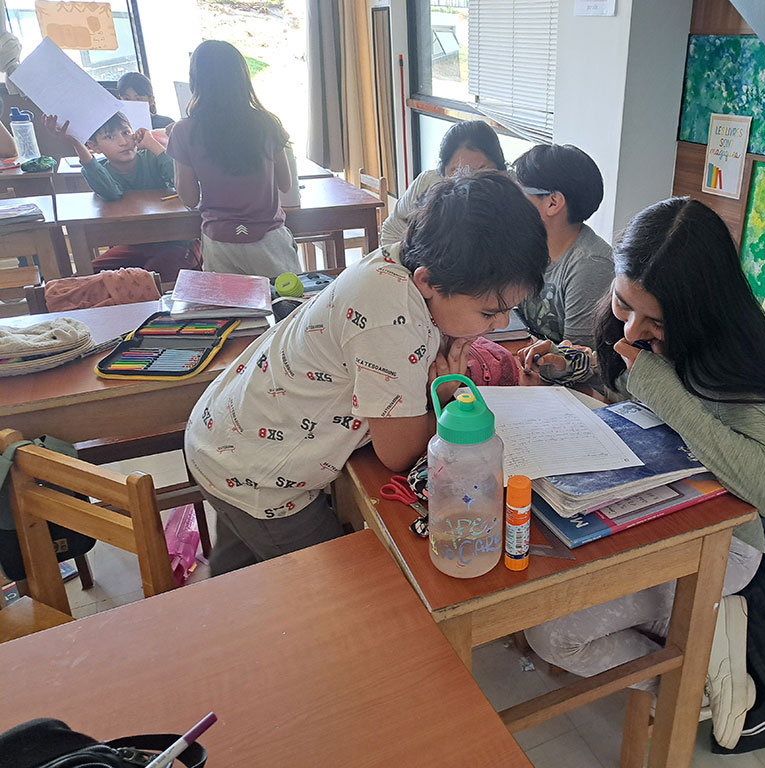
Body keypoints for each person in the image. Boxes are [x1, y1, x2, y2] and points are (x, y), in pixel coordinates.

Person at [522, 200, 765, 765]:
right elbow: (625, 385)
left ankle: (696, 679)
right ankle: (694, 651)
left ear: (700, 310)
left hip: (723, 547)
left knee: (553, 633)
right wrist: (575, 367)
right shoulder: (633, 323)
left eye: (656, 322)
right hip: (647, 511)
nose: (632, 329)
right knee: (538, 572)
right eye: (623, 304)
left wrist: (660, 387)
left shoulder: (734, 358)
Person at [184, 170, 548, 575]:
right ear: (428, 281)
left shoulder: (401, 262)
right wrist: (443, 400)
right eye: (490, 312)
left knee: (240, 570)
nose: (501, 324)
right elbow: (397, 454)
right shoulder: (394, 320)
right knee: (342, 587)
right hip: (260, 476)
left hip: (224, 438)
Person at [166, 40, 299, 279]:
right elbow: (285, 183)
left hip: (220, 241)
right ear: (243, 78)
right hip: (269, 238)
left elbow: (189, 198)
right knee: (287, 300)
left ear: (195, 81)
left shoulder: (184, 131)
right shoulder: (267, 123)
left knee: (229, 304)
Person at [42, 112, 199, 281]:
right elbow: (112, 193)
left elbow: (179, 180)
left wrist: (152, 144)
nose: (123, 142)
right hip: (137, 246)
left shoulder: (151, 157)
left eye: (126, 132)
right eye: (110, 137)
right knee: (82, 279)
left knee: (149, 279)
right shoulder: (100, 170)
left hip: (180, 242)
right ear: (94, 146)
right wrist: (76, 143)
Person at [510, 144, 614, 357]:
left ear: (553, 203)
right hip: (527, 359)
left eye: (520, 193)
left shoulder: (591, 265)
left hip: (560, 374)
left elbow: (575, 360)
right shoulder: (527, 243)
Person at [380, 120, 505, 246]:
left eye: (481, 171)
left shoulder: (510, 198)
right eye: (458, 172)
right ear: (443, 171)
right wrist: (400, 258)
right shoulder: (427, 183)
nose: (469, 181)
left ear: (499, 169)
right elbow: (392, 230)